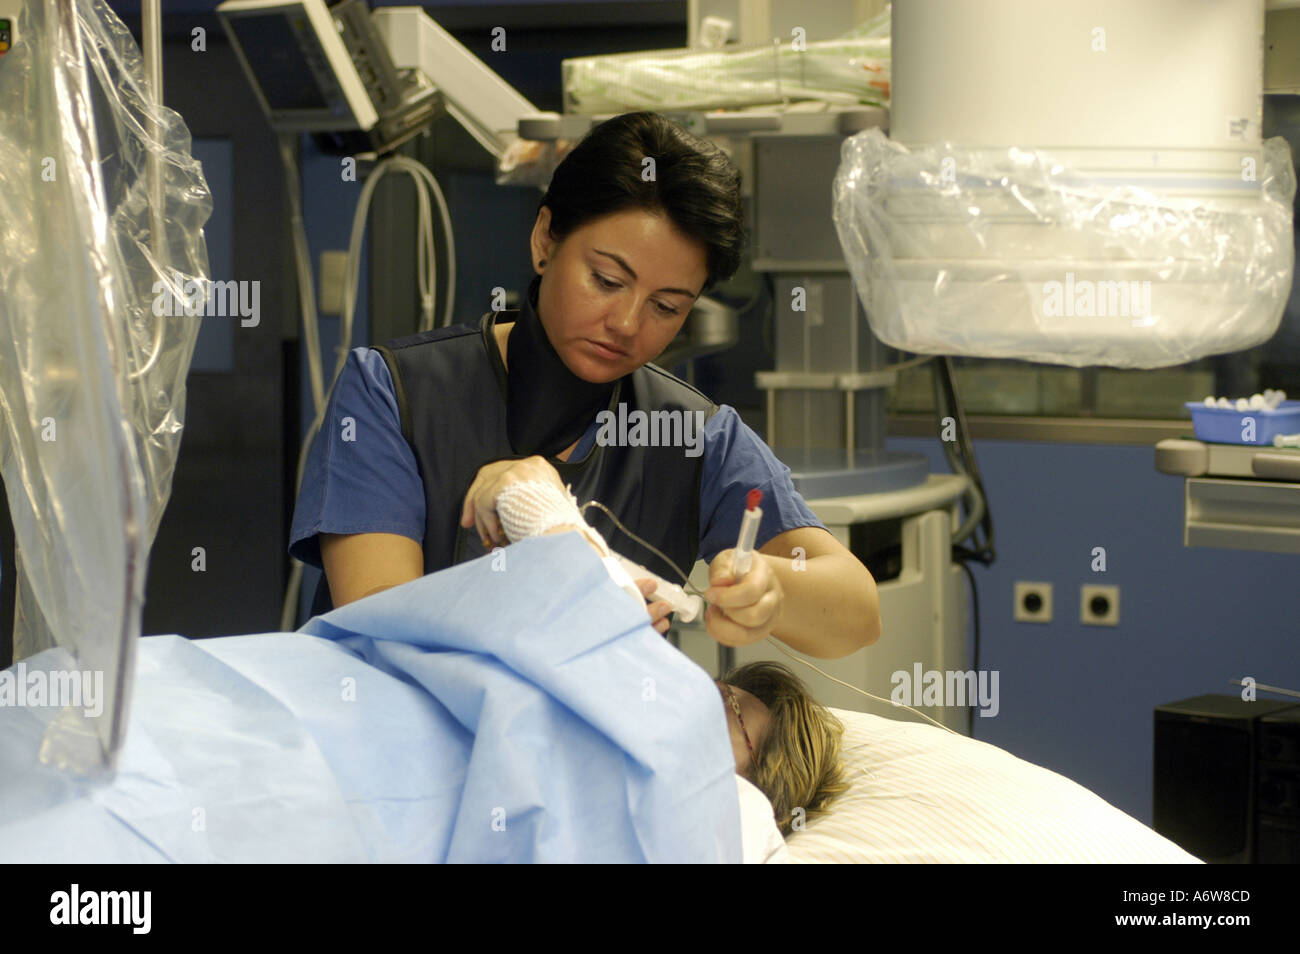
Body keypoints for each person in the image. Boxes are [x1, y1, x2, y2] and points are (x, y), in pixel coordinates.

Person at [288, 110, 882, 659]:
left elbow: (857, 613)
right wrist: (561, 566)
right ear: (545, 239)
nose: (626, 324)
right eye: (605, 280)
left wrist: (771, 585)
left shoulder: (691, 436)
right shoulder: (394, 394)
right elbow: (383, 631)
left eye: (667, 307)